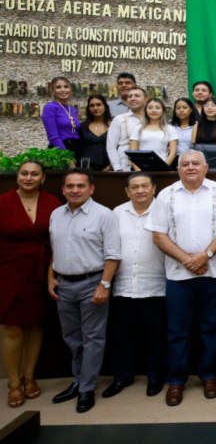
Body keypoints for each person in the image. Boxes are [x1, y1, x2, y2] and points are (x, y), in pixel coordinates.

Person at [146, 151, 216, 407]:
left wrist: (205, 255)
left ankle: (209, 376)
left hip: (213, 273)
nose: (190, 167)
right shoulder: (166, 195)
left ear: (206, 167)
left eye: (196, 163)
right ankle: (176, 380)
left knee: (211, 328)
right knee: (177, 332)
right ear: (178, 169)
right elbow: (159, 236)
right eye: (185, 164)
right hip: (177, 276)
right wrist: (187, 259)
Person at [48, 168, 121, 413]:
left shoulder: (104, 215)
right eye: (70, 186)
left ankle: (86, 389)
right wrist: (51, 277)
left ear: (91, 189)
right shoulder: (56, 214)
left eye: (80, 186)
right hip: (63, 285)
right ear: (63, 189)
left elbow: (113, 254)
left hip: (93, 283)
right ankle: (77, 381)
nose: (75, 190)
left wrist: (105, 285)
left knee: (93, 338)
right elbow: (55, 250)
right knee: (72, 339)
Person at [0, 161, 61, 408]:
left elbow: (58, 239)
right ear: (17, 176)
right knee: (13, 328)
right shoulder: (3, 202)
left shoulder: (52, 203)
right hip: (8, 270)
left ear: (43, 178)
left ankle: (29, 377)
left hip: (41, 269)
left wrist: (52, 271)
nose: (28, 177)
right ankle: (13, 383)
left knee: (36, 324)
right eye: (24, 173)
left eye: (34, 174)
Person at [102, 173, 167, 399]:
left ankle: (155, 377)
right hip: (124, 285)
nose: (140, 191)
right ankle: (122, 376)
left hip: (156, 284)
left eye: (144, 186)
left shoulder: (164, 211)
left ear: (153, 189)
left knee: (156, 336)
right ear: (127, 191)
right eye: (134, 187)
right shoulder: (117, 213)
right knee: (122, 335)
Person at [129, 98, 179, 168]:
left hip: (162, 167)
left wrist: (163, 168)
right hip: (141, 167)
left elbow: (173, 153)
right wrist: (138, 170)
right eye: (150, 108)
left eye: (158, 108)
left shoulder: (170, 129)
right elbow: (132, 153)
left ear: (163, 110)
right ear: (146, 110)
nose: (153, 110)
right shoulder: (138, 128)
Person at [107, 86, 147, 171]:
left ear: (145, 99)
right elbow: (111, 146)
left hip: (148, 166)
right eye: (130, 96)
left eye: (137, 96)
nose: (133, 98)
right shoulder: (119, 119)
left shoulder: (153, 119)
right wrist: (117, 168)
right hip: (125, 167)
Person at [41, 76, 80, 152]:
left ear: (71, 89)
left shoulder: (73, 110)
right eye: (58, 87)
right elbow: (53, 137)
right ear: (53, 91)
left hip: (76, 147)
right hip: (60, 149)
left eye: (66, 87)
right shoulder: (50, 108)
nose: (63, 90)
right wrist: (67, 157)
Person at [77, 95, 112, 171]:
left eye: (98, 105)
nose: (95, 108)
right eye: (92, 106)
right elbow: (78, 149)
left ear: (105, 106)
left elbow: (120, 147)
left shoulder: (114, 125)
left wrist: (110, 167)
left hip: (110, 169)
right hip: (87, 170)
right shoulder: (82, 126)